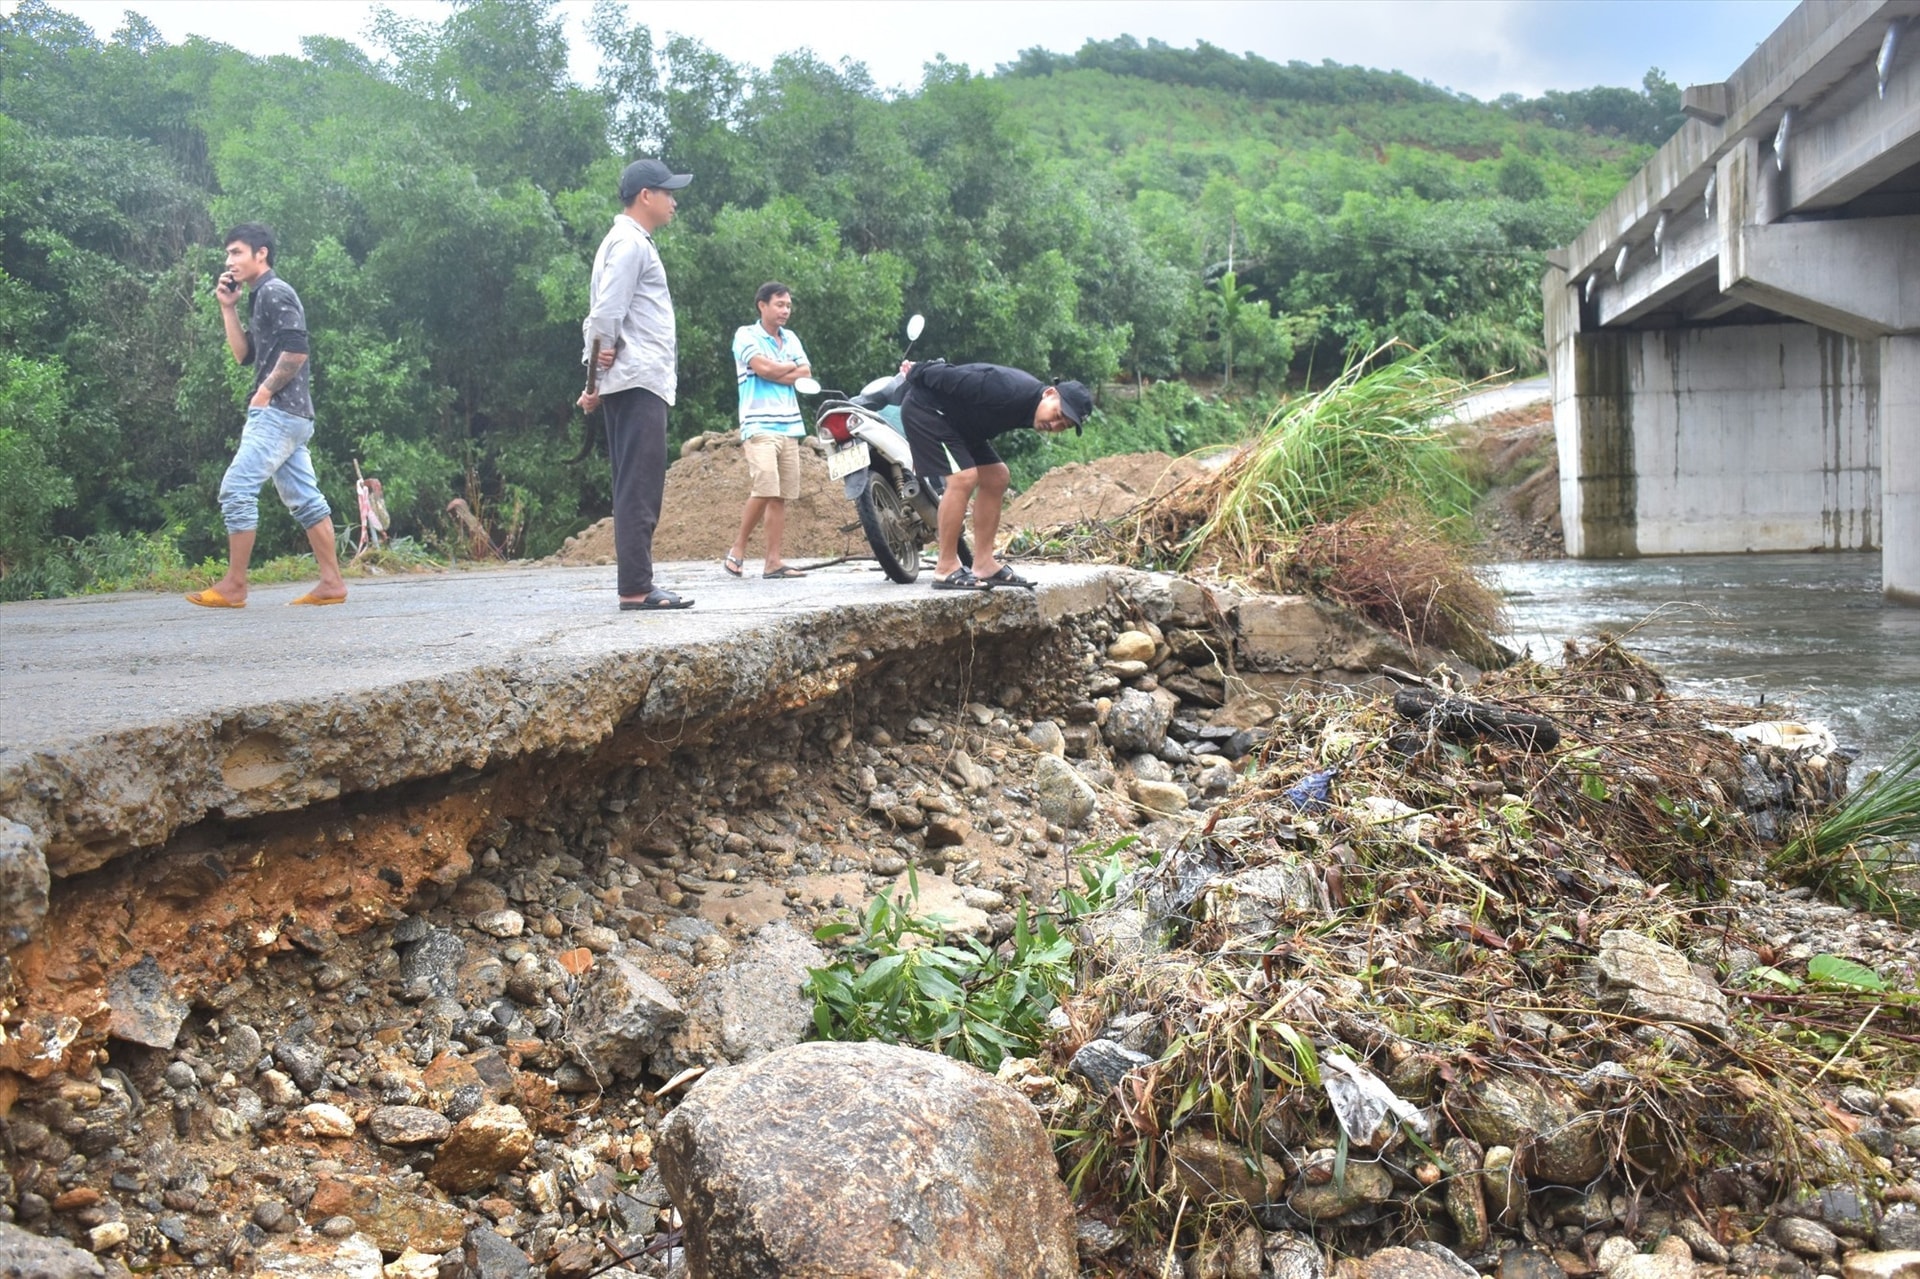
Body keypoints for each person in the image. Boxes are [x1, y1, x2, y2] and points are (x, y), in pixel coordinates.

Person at [186, 222, 347, 609]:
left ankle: (234, 586)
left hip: (277, 412)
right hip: (292, 416)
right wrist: (228, 308)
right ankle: (332, 583)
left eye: (237, 252)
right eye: (228, 254)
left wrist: (264, 392)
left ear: (262, 254)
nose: (229, 261)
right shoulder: (260, 297)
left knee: (237, 489)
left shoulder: (275, 292)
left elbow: (297, 350)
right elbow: (244, 355)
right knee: (306, 500)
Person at [576, 158, 695, 611]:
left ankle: (637, 583)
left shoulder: (623, 241)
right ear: (646, 195)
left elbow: (604, 316)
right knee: (639, 486)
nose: (674, 201)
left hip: (630, 378)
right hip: (639, 378)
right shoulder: (630, 243)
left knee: (635, 482)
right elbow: (606, 311)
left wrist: (595, 378)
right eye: (668, 192)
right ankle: (637, 588)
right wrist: (596, 360)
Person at [898, 359, 1093, 590]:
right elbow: (952, 376)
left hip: (962, 427)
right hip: (928, 412)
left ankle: (983, 564)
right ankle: (945, 567)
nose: (1056, 424)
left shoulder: (1031, 407)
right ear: (1049, 393)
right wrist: (917, 370)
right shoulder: (1008, 389)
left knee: (997, 476)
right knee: (964, 477)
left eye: (1064, 425)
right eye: (1058, 414)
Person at [723, 282, 812, 580]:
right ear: (762, 305)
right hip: (759, 423)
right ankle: (737, 548)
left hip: (790, 425)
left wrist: (777, 369)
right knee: (765, 487)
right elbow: (763, 370)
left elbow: (806, 374)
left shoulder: (792, 338)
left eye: (788, 305)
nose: (785, 310)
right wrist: (785, 369)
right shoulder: (745, 335)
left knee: (780, 496)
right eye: (779, 304)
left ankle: (773, 561)